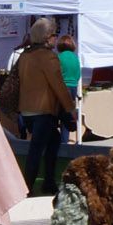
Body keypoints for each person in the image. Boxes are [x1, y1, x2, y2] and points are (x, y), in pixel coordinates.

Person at [14, 17, 73, 195]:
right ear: (47, 36)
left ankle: (48, 181)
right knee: (37, 149)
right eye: (55, 34)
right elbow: (59, 86)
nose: (56, 38)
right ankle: (28, 187)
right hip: (43, 109)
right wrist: (70, 108)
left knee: (52, 141)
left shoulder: (25, 55)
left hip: (27, 110)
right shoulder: (49, 57)